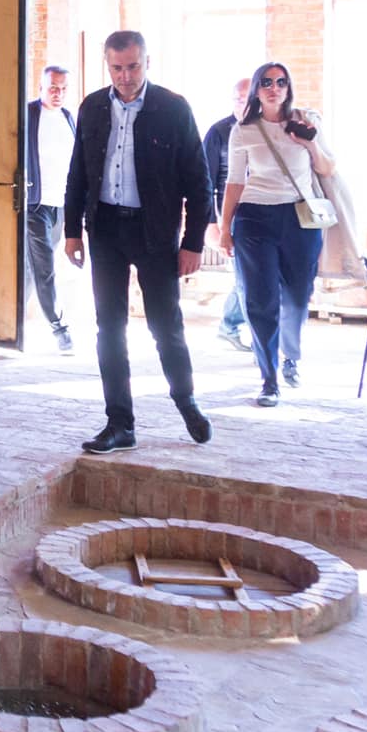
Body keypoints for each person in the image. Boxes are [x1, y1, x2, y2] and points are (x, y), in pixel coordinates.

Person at [63, 31, 213, 453]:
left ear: (148, 62)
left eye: (133, 67)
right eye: (117, 68)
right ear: (107, 66)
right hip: (106, 229)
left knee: (166, 326)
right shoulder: (92, 107)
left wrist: (193, 243)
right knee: (109, 328)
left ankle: (185, 400)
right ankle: (119, 423)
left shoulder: (173, 108)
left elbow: (199, 183)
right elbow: (78, 172)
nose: (125, 77)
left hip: (155, 232)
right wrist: (72, 230)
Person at [218, 60, 337, 407]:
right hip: (255, 218)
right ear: (257, 90)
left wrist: (309, 143)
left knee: (298, 296)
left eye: (281, 82)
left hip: (300, 218)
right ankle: (269, 378)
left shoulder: (306, 121)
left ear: (289, 87)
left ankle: (290, 357)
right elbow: (234, 182)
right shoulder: (243, 131)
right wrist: (225, 229)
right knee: (261, 299)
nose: (274, 88)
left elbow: (327, 167)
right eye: (267, 82)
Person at [26, 64, 77, 354]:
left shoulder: (68, 118)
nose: (58, 93)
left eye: (63, 89)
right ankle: (60, 329)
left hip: (60, 205)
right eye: (53, 87)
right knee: (44, 266)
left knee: (34, 267)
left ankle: (13, 320)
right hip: (35, 204)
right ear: (41, 87)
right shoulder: (29, 115)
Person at [203, 78, 254, 353]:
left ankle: (229, 326)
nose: (242, 104)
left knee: (250, 277)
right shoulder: (219, 132)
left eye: (248, 98)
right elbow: (204, 182)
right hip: (230, 216)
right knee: (246, 278)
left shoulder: (263, 130)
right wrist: (212, 223)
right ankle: (255, 336)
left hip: (261, 212)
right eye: (238, 98)